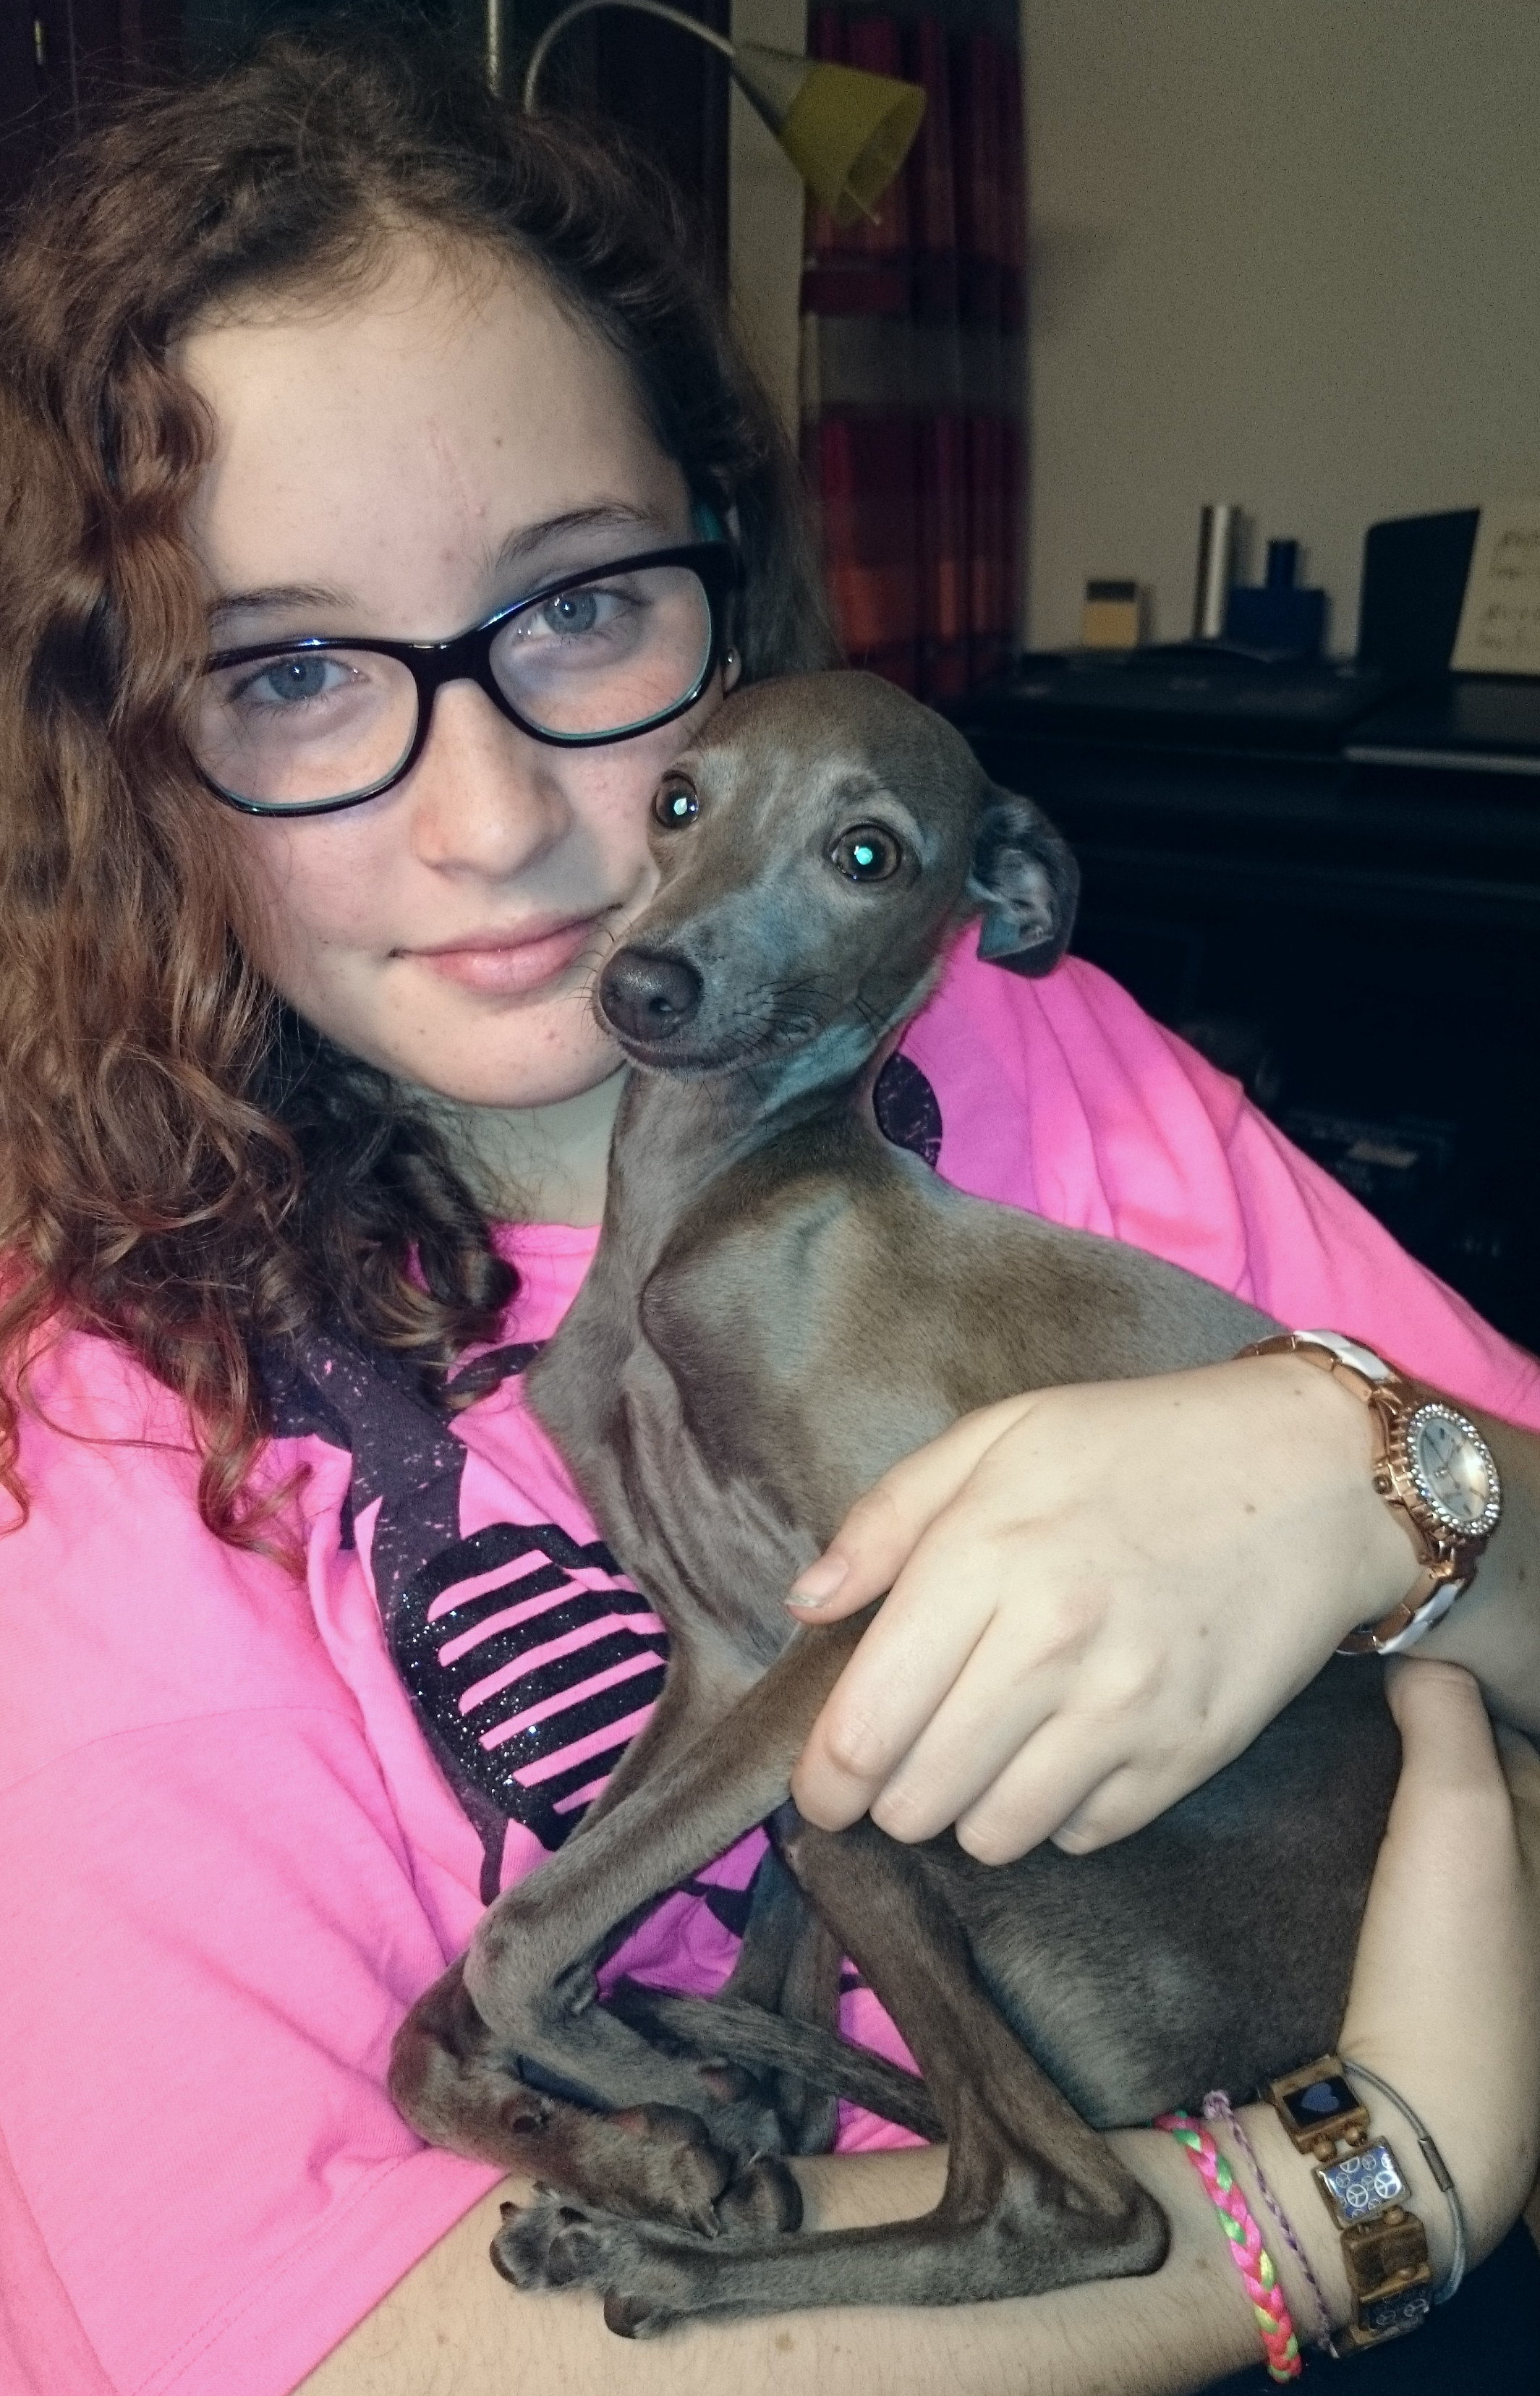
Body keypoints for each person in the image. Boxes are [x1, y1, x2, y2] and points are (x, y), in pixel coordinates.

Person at [0, 31, 1536, 2396]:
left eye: (580, 608)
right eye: (286, 671)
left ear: (726, 584)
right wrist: (1354, 2185)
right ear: (119, 744)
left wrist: (1377, 1482)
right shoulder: (91, 1433)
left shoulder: (1032, 1042)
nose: (499, 821)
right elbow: (301, 2346)